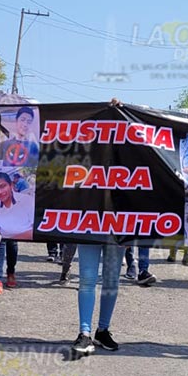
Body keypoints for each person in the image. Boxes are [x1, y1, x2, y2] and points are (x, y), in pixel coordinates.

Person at [72, 99, 127, 356]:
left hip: (119, 225)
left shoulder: (131, 154)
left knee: (111, 281)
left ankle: (103, 330)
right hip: (89, 223)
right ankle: (84, 332)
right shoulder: (81, 155)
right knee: (87, 278)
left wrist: (122, 110)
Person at [0, 171, 33, 294]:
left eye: (3, 186)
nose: (0, 192)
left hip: (17, 232)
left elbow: (34, 229)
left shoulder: (26, 201)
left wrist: (14, 234)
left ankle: (11, 272)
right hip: (1, 233)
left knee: (12, 244)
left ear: (11, 185)